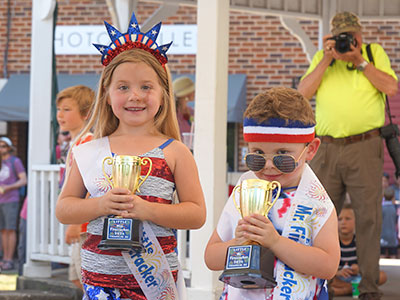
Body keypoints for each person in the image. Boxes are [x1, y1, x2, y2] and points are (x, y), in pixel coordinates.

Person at [56, 11, 206, 300]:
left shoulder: (175, 152)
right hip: (99, 284)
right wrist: (101, 205)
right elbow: (64, 209)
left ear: (163, 94)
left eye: (146, 87)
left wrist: (147, 210)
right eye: (123, 87)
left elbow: (197, 214)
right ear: (107, 93)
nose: (135, 96)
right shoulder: (88, 151)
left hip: (154, 286)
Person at [297, 11, 398, 300]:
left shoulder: (372, 53)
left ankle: (368, 289)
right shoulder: (322, 58)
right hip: (325, 148)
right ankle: (314, 284)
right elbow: (302, 93)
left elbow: (391, 87)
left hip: (364, 146)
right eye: (340, 37)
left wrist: (360, 61)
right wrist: (327, 59)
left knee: (368, 219)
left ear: (359, 35)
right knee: (317, 215)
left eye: (350, 36)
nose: (346, 42)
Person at [204, 87, 340, 299]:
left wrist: (275, 242)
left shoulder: (318, 202)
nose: (268, 166)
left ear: (311, 149)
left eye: (282, 155)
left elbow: (328, 266)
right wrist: (236, 243)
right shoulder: (244, 191)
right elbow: (211, 258)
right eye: (257, 155)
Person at [56, 84, 95, 289]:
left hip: (85, 225)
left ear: (86, 113)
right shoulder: (75, 143)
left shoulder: (87, 143)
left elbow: (90, 186)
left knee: (86, 279)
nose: (60, 115)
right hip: (79, 222)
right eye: (59, 109)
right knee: (75, 277)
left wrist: (75, 221)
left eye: (67, 109)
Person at [332, 203, 387, 296]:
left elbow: (367, 262)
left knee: (382, 276)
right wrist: (338, 272)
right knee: (327, 279)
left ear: (356, 221)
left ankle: (346, 289)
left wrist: (359, 269)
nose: (343, 222)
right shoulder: (334, 241)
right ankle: (351, 288)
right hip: (339, 277)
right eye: (340, 219)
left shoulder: (360, 241)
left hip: (357, 276)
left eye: (347, 219)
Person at [0, 136, 27, 271]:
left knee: (10, 230)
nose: (1, 148)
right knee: (3, 231)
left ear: (9, 148)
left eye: (4, 146)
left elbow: (23, 180)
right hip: (1, 200)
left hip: (11, 199)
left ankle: (9, 259)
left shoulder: (15, 162)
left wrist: (7, 187)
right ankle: (4, 258)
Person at [172, 76, 195, 143]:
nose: (195, 92)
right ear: (186, 94)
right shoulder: (172, 114)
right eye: (193, 90)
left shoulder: (192, 112)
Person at [380, 187, 398, 258]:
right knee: (393, 255)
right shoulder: (395, 208)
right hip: (392, 236)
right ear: (393, 197)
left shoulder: (381, 208)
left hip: (382, 236)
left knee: (382, 255)